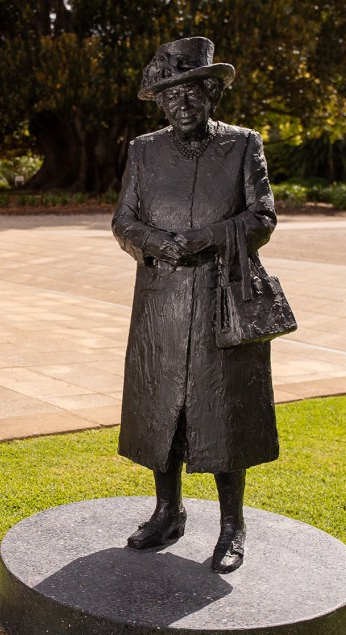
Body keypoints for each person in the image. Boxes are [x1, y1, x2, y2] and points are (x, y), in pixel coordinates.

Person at [112, 37, 281, 574]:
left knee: (224, 411)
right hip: (160, 301)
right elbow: (123, 220)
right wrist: (157, 243)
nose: (182, 103)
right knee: (161, 407)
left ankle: (233, 525)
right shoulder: (143, 150)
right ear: (160, 102)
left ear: (212, 93)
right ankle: (168, 511)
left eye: (192, 92)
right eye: (171, 95)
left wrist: (206, 237)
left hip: (221, 298)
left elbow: (263, 218)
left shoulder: (242, 144)